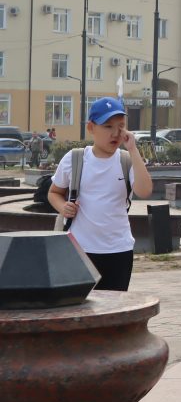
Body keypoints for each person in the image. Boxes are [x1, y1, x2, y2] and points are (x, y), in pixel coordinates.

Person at [46, 97, 153, 291]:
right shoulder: (75, 158)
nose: (115, 133)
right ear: (91, 127)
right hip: (80, 250)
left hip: (119, 250)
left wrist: (133, 149)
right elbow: (54, 193)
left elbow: (145, 191)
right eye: (107, 126)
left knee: (113, 311)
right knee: (81, 309)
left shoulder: (127, 160)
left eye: (120, 126)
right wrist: (63, 207)